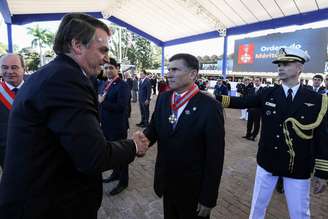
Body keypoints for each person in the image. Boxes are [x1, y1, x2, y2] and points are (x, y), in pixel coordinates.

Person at [0, 13, 149, 219]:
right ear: (77, 45)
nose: (106, 58)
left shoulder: (54, 74)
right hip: (49, 207)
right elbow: (93, 156)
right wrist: (133, 146)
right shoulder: (65, 80)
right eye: (103, 49)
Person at [219, 47, 328, 219]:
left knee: (299, 213)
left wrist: (322, 173)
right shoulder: (267, 92)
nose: (280, 67)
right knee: (256, 209)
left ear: (299, 67)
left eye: (285, 64)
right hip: (267, 162)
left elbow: (322, 138)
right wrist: (214, 98)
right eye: (279, 64)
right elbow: (242, 101)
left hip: (298, 166)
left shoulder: (317, 99)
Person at [140, 53, 225, 219]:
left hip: (193, 190)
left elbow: (215, 157)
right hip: (167, 182)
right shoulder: (163, 99)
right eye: (168, 69)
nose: (168, 74)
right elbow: (153, 129)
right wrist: (140, 141)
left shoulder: (210, 107)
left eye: (175, 69)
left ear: (192, 74)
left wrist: (208, 198)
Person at [98, 58, 131, 195]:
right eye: (105, 68)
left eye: (111, 67)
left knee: (122, 154)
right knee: (112, 153)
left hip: (117, 126)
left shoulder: (122, 85)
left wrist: (102, 102)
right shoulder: (104, 83)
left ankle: (123, 181)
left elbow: (121, 107)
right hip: (106, 125)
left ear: (117, 68)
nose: (108, 70)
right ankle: (115, 174)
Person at [0, 53, 25, 170]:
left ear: (24, 69)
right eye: (5, 67)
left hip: (35, 151)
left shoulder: (37, 89)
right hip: (6, 154)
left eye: (14, 67)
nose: (9, 71)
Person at [242, 77, 262, 141]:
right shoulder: (251, 89)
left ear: (260, 82)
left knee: (256, 124)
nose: (256, 82)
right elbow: (248, 98)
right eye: (255, 81)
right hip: (251, 109)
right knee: (249, 123)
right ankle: (248, 134)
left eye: (258, 81)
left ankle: (254, 136)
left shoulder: (263, 90)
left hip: (258, 110)